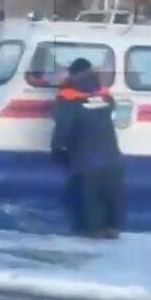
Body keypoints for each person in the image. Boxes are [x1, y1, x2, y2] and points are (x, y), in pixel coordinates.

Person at [50, 58, 126, 239]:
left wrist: (57, 148)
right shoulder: (105, 94)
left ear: (72, 73)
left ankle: (94, 234)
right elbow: (107, 108)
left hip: (86, 159)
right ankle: (113, 231)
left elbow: (64, 126)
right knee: (112, 197)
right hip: (112, 157)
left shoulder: (67, 98)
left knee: (91, 199)